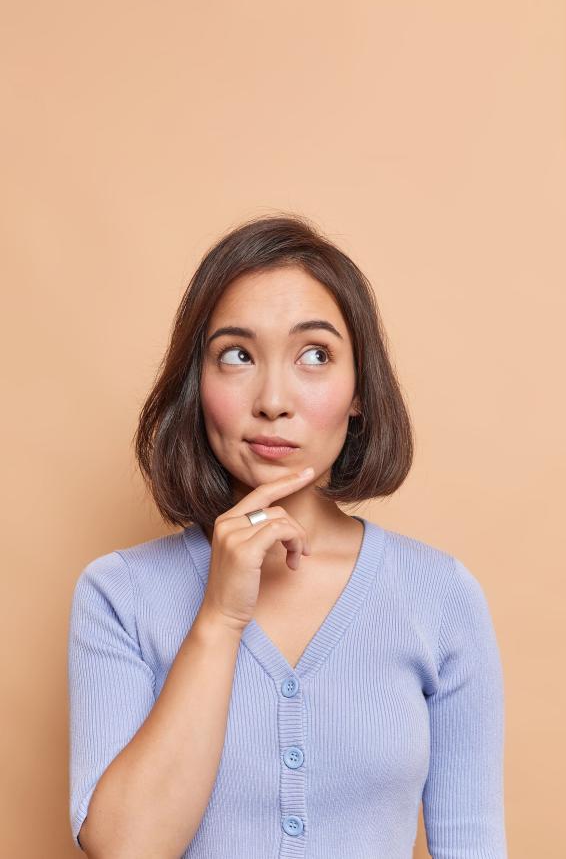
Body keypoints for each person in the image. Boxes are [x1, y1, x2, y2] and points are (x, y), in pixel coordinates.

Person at [67, 212, 508, 858]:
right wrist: (218, 618)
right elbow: (125, 849)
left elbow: (472, 843)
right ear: (198, 386)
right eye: (237, 355)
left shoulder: (440, 595)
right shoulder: (118, 595)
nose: (273, 399)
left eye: (314, 355)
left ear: (359, 391)